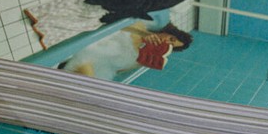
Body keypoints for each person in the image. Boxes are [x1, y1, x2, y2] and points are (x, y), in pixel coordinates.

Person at [48, 20, 192, 82]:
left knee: (93, 88)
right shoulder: (141, 26)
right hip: (88, 44)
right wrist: (144, 36)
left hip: (93, 63)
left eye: (171, 46)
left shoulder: (142, 59)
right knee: (89, 84)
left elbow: (117, 70)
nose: (167, 42)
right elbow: (113, 26)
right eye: (171, 39)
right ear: (169, 32)